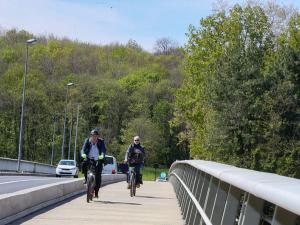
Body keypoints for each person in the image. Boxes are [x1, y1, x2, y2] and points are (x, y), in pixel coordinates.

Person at [81, 129, 106, 198]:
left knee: (98, 177)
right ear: (91, 136)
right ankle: (86, 179)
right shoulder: (87, 141)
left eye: (95, 135)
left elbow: (103, 150)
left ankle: (96, 192)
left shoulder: (101, 142)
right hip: (89, 159)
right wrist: (83, 154)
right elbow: (83, 149)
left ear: (97, 136)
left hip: (98, 160)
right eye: (92, 135)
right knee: (83, 164)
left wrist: (102, 155)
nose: (94, 137)